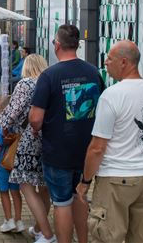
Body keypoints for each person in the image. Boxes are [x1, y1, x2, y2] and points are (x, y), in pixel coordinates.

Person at [76, 40, 143, 243]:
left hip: (115, 178)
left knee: (106, 237)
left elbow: (97, 147)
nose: (106, 62)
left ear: (124, 62)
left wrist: (85, 181)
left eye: (110, 58)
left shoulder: (112, 96)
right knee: (141, 238)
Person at [29, 24, 104, 243]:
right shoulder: (93, 72)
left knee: (61, 202)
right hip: (87, 150)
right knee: (81, 195)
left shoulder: (49, 75)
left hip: (57, 151)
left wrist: (35, 130)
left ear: (58, 45)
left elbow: (35, 118)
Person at [0, 54, 54, 242]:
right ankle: (39, 228)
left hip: (28, 140)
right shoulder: (49, 83)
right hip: (47, 140)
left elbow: (13, 111)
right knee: (44, 187)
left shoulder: (25, 84)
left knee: (25, 184)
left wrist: (3, 125)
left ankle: (47, 234)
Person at [0, 124, 24, 234]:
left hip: (3, 162)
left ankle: (9, 220)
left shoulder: (2, 126)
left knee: (4, 191)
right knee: (16, 192)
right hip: (16, 163)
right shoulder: (21, 126)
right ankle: (18, 220)